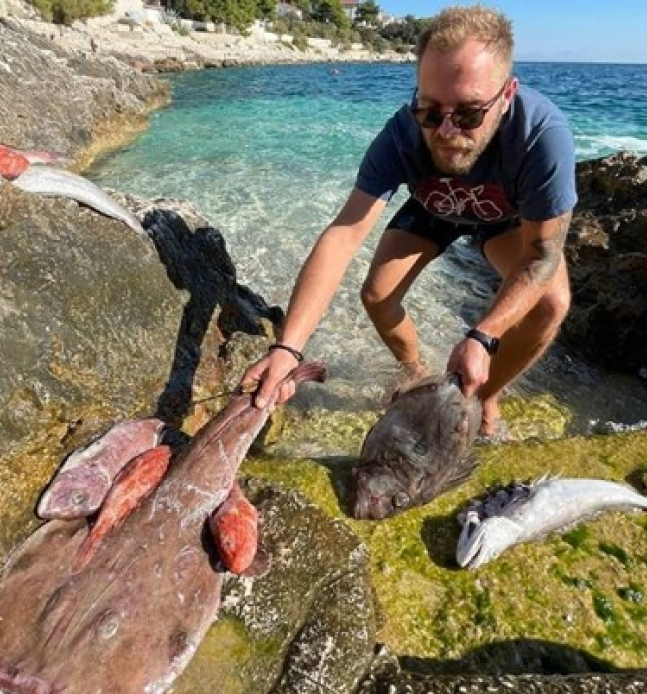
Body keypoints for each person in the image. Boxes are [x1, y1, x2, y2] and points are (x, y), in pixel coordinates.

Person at [240, 4, 577, 441]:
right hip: (434, 207)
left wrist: (484, 336)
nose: (447, 131)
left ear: (507, 94)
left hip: (505, 220)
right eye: (430, 112)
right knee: (378, 295)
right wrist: (288, 347)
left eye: (470, 113)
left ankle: (484, 396)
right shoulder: (400, 134)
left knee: (551, 303)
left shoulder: (541, 135)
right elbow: (345, 234)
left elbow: (542, 252)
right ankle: (414, 369)